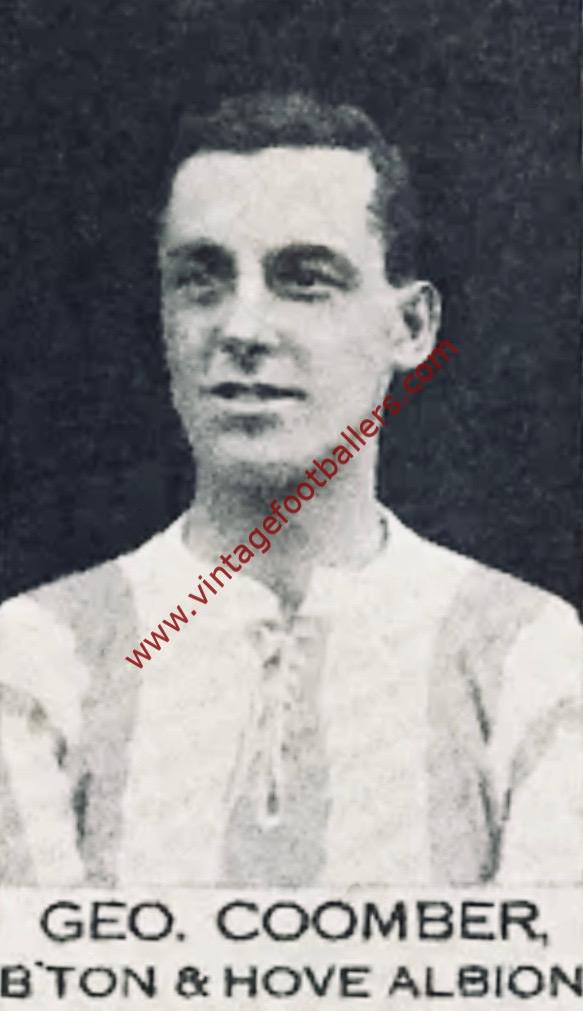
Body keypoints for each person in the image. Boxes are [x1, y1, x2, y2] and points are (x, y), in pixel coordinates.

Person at [0, 93, 581, 887]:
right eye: (200, 280)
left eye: (304, 280)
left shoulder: (524, 655)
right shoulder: (38, 660)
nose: (241, 328)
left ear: (411, 327)